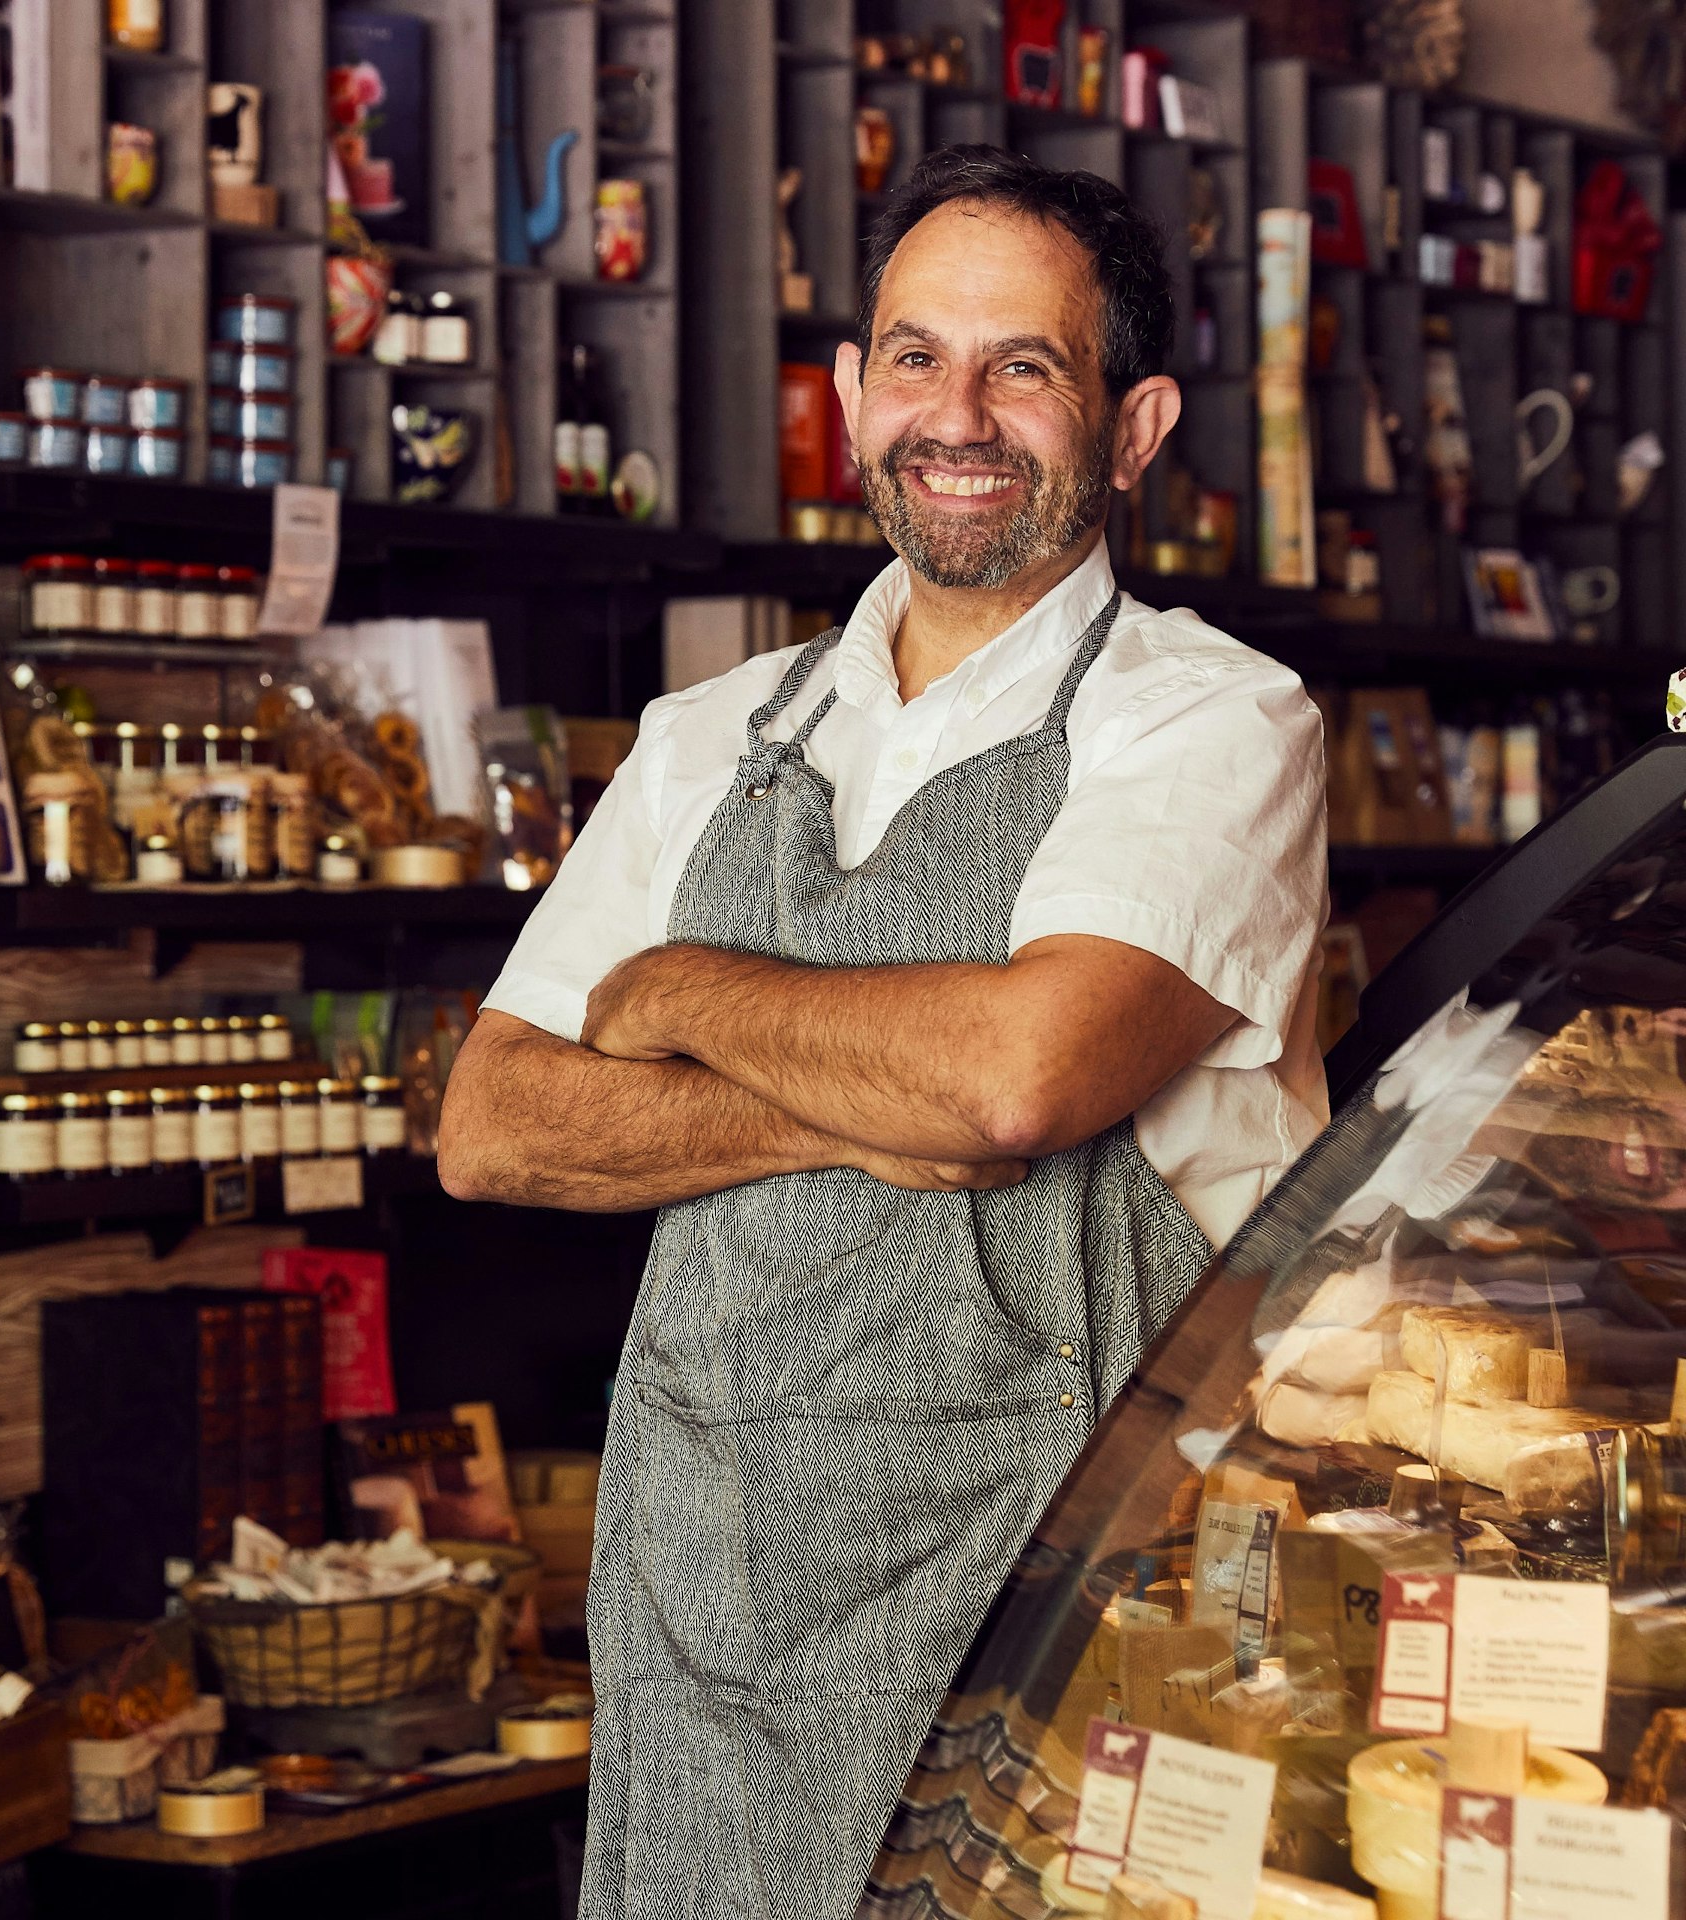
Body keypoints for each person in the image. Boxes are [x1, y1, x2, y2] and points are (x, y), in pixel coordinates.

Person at [439, 145, 1328, 1920]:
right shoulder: (704, 740)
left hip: (1065, 1621)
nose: (960, 414)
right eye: (916, 358)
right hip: (712, 1614)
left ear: (1135, 425)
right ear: (850, 398)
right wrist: (855, 1112)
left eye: (1027, 367)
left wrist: (681, 997)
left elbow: (1019, 1076)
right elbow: (499, 1125)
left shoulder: (1216, 722)